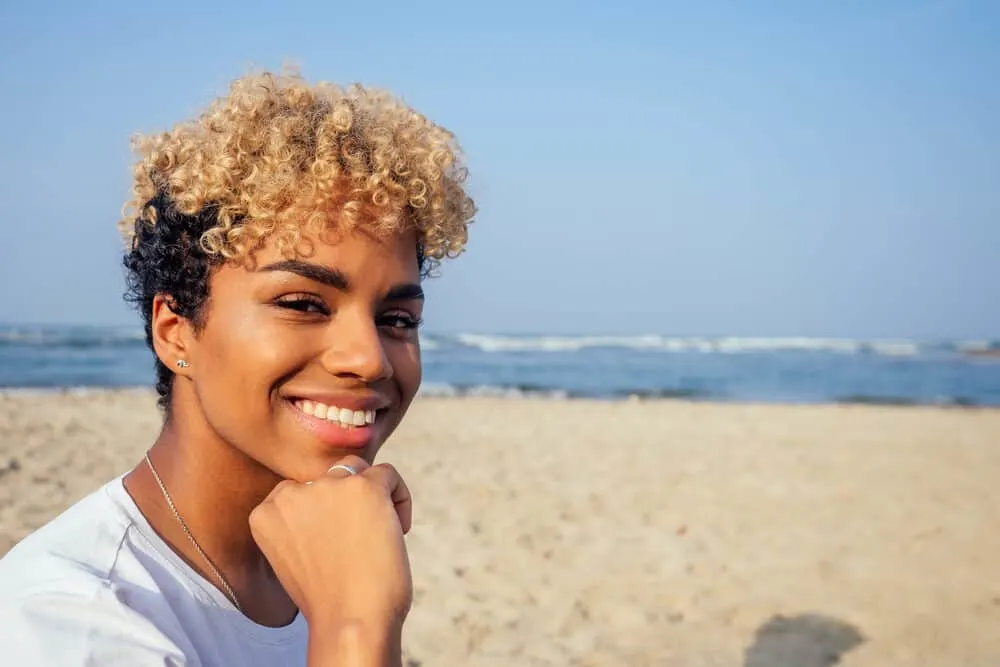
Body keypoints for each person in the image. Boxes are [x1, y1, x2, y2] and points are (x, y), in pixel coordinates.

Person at [0, 69, 476, 666]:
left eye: (398, 318)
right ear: (176, 331)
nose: (368, 357)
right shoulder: (73, 623)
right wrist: (353, 627)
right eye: (303, 304)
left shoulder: (315, 560)